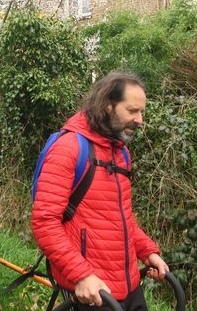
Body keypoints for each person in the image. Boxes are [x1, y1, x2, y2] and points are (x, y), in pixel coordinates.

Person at [31, 71, 168, 311]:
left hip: (129, 286)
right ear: (107, 106)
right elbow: (44, 222)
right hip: (92, 291)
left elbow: (121, 217)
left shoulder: (121, 153)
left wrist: (147, 251)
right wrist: (81, 275)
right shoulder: (70, 148)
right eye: (132, 111)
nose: (140, 120)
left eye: (141, 111)